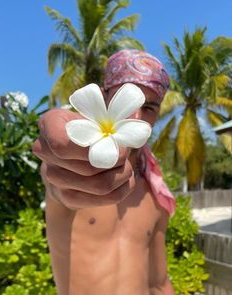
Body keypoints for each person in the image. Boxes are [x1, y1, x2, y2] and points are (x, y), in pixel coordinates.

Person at [32, 49, 176, 295]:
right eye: (127, 100)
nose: (137, 116)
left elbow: (159, 283)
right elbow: (56, 183)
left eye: (149, 107)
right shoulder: (77, 174)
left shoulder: (156, 195)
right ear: (103, 96)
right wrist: (59, 161)